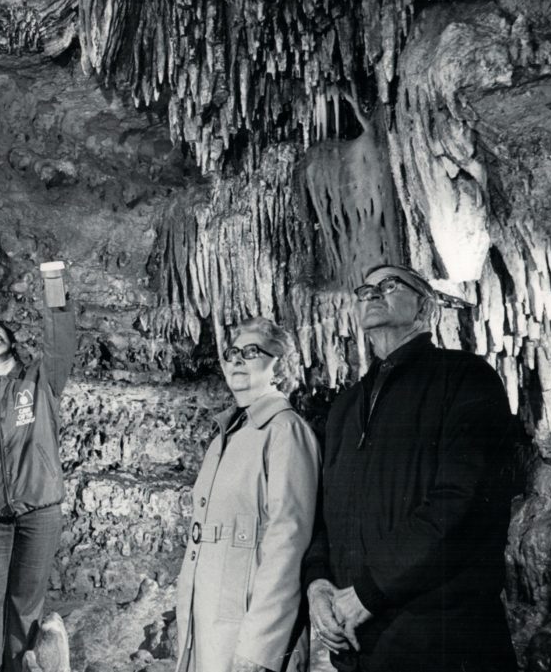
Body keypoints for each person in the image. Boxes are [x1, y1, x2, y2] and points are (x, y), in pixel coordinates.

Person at [303, 264, 518, 672]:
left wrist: (367, 592)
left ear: (427, 306)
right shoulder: (346, 407)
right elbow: (326, 512)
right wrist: (317, 583)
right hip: (358, 646)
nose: (371, 294)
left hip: (441, 641)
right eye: (364, 289)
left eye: (387, 285)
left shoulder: (467, 379)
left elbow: (461, 505)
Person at [175, 317, 321, 672]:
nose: (238, 359)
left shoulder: (285, 432)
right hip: (207, 622)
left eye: (252, 351)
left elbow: (287, 543)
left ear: (280, 364)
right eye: (233, 352)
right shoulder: (227, 437)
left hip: (245, 632)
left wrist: (260, 647)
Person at [0, 294, 77, 672]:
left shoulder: (41, 379)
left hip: (39, 509)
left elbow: (61, 344)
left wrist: (55, 295)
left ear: (9, 334)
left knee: (26, 605)